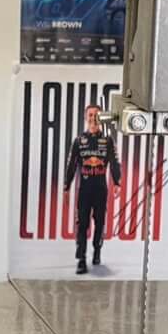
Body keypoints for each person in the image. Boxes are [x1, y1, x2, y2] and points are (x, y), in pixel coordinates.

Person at [63, 100, 116, 273]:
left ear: (101, 118)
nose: (93, 118)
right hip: (84, 189)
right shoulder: (79, 141)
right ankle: (81, 259)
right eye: (90, 115)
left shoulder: (107, 140)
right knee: (82, 223)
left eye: (96, 115)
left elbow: (114, 162)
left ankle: (97, 251)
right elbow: (71, 164)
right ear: (86, 117)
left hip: (100, 188)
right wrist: (66, 186)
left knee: (100, 222)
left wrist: (118, 182)